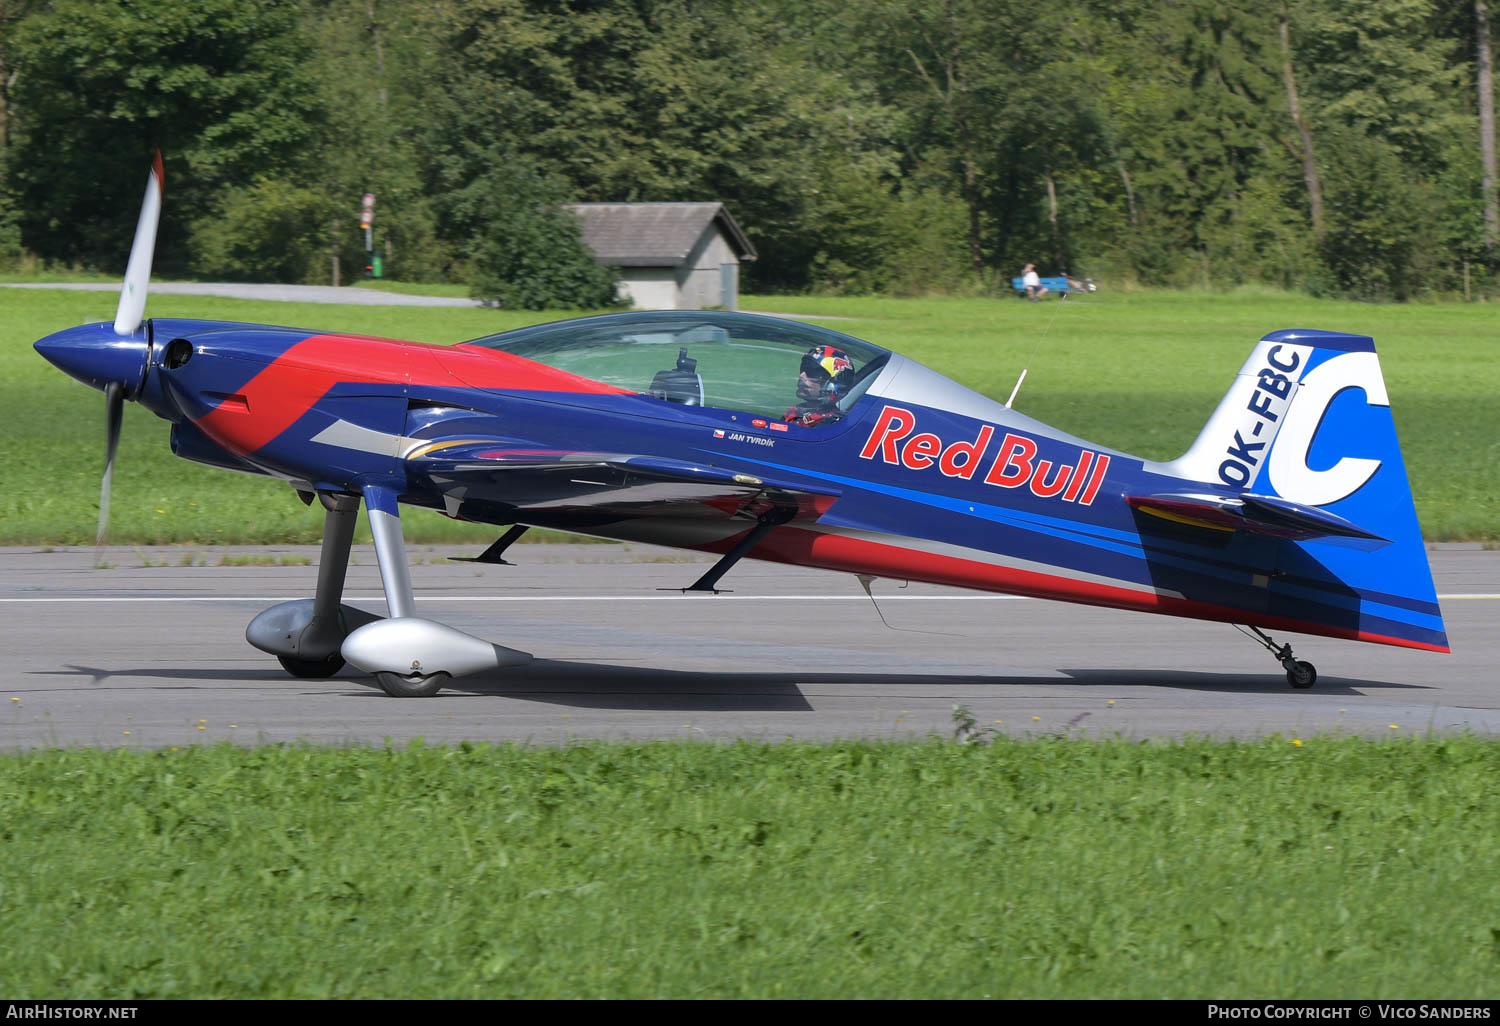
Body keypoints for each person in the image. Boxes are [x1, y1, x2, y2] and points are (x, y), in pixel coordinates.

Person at [785, 345, 855, 426]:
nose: (802, 376)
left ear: (832, 385)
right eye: (803, 369)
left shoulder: (832, 425)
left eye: (812, 372)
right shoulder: (794, 413)